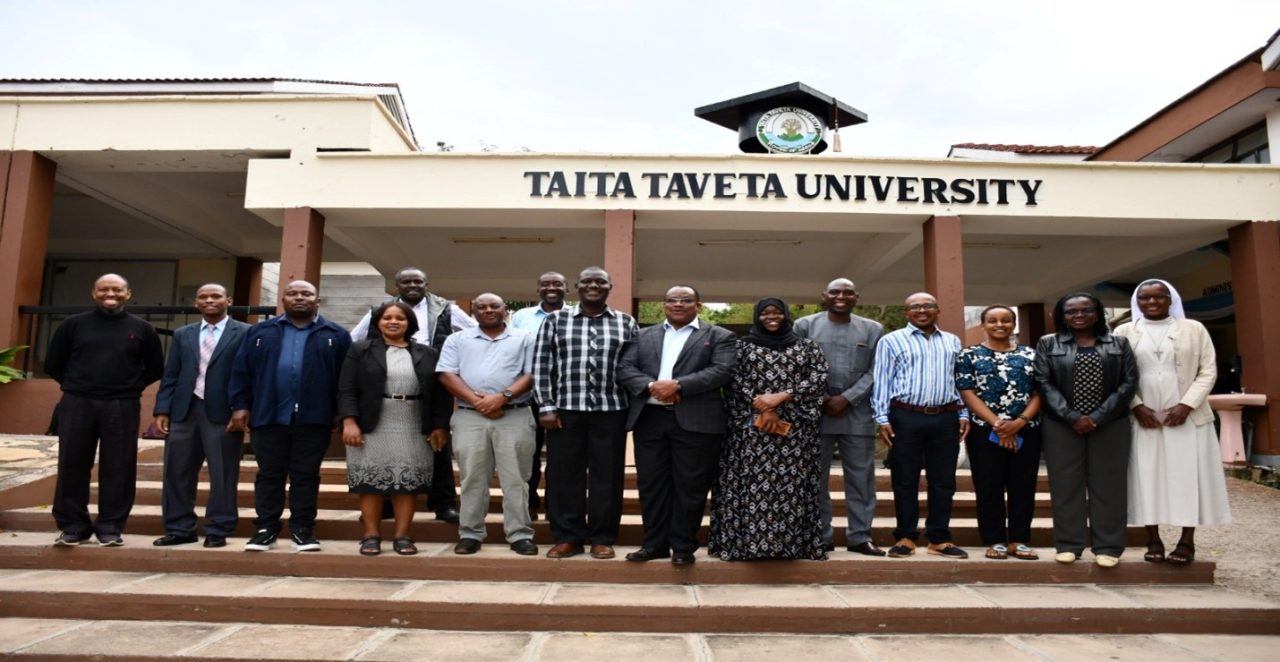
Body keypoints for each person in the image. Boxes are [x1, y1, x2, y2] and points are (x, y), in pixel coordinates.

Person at [229, 280, 352, 552]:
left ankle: (302, 529)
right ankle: (265, 529)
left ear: (317, 300)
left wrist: (342, 415)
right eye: (293, 293)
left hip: (315, 418)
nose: (299, 298)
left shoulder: (336, 334)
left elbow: (346, 380)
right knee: (269, 474)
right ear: (282, 300)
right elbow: (241, 372)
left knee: (306, 475)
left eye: (306, 294)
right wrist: (240, 405)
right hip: (268, 415)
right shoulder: (260, 332)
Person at [1114, 279, 1231, 565]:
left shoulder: (1194, 329)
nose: (1151, 302)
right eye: (1145, 298)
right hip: (1143, 418)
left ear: (1171, 300)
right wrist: (1138, 406)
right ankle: (1152, 539)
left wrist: (1185, 405)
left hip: (1187, 417)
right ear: (1136, 302)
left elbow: (1208, 371)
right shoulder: (1123, 331)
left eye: (1159, 297)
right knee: (1145, 476)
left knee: (1188, 476)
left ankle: (1186, 541)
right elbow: (1116, 374)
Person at [617, 285, 736, 566]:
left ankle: (683, 547)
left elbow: (722, 371)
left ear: (699, 304)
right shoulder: (643, 335)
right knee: (652, 486)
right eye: (672, 300)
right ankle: (654, 545)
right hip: (651, 420)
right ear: (664, 305)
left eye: (686, 300)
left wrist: (679, 385)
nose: (678, 304)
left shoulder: (720, 335)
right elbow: (624, 368)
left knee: (690, 487)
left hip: (696, 422)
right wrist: (650, 386)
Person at [45, 273, 164, 546]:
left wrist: (124, 387)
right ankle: (73, 526)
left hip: (122, 404)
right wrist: (80, 385)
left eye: (117, 289)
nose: (110, 294)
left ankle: (110, 526)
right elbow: (54, 363)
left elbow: (155, 368)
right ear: (94, 293)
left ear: (128, 294)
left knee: (119, 467)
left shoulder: (142, 329)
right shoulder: (73, 325)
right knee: (72, 464)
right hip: (77, 403)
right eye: (104, 289)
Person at [350, 267, 476, 523]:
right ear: (397, 286)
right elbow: (354, 338)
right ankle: (383, 506)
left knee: (437, 444)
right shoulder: (379, 311)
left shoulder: (446, 309)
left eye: (417, 281)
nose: (412, 285)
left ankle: (443, 504)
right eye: (406, 281)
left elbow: (473, 333)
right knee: (385, 449)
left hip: (430, 380)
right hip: (387, 385)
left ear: (426, 284)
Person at [707, 298, 828, 561]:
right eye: (765, 313)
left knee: (792, 489)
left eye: (777, 313)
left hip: (795, 433)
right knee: (748, 488)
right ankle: (744, 545)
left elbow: (818, 379)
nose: (771, 317)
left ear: (786, 315)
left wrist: (782, 396)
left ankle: (791, 546)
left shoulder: (808, 348)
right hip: (749, 432)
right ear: (756, 317)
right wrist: (764, 407)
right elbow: (733, 379)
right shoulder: (740, 347)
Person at [533, 267, 638, 560]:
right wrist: (546, 406)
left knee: (608, 476)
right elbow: (542, 365)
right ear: (577, 287)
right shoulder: (555, 320)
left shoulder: (626, 323)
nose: (594, 285)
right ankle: (568, 537)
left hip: (612, 410)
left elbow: (633, 368)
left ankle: (602, 537)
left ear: (609, 287)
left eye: (600, 281)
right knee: (564, 475)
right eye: (587, 281)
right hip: (565, 411)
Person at [338, 301, 451, 556]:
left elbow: (440, 395)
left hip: (413, 423)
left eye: (400, 318)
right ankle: (370, 535)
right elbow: (346, 388)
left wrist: (440, 426)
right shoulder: (360, 350)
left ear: (409, 323)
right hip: (371, 423)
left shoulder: (428, 353)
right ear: (378, 322)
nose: (393, 322)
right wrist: (349, 421)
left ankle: (403, 536)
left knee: (407, 482)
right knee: (370, 481)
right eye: (387, 317)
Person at [1034, 292, 1138, 567]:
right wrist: (1072, 416)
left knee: (1109, 486)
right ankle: (1069, 545)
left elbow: (1129, 383)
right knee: (1066, 485)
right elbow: (1043, 383)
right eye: (1071, 312)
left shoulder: (1118, 343)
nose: (1079, 316)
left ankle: (1109, 547)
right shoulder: (1048, 343)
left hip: (1110, 424)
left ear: (1098, 313)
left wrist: (1097, 417)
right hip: (1061, 425)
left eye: (1086, 310)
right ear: (1062, 316)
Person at [437, 293, 538, 556]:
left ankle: (519, 534)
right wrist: (479, 401)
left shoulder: (525, 338)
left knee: (516, 479)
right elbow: (447, 373)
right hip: (470, 417)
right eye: (481, 307)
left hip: (514, 415)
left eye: (495, 306)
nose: (488, 310)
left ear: (505, 310)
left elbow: (531, 374)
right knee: (472, 478)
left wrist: (501, 399)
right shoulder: (457, 339)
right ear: (474, 312)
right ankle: (470, 533)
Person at [871, 292, 970, 559]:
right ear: (906, 312)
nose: (922, 310)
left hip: (946, 416)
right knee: (905, 479)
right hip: (905, 416)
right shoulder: (891, 341)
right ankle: (906, 537)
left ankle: (939, 538)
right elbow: (883, 380)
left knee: (944, 480)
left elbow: (957, 380)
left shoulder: (952, 341)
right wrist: (882, 418)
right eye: (915, 307)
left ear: (937, 310)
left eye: (928, 306)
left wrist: (964, 413)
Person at [151, 283, 250, 549]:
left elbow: (249, 374)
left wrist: (242, 408)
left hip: (224, 412)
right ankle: (179, 528)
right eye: (203, 297)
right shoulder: (183, 334)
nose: (210, 300)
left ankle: (218, 528)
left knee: (223, 473)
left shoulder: (245, 332)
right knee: (177, 472)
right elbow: (171, 374)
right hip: (184, 410)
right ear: (196, 303)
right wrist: (162, 409)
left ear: (227, 300)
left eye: (216, 296)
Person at [794, 278, 885, 556]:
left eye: (847, 292)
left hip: (856, 412)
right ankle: (821, 536)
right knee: (815, 478)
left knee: (861, 479)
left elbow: (876, 370)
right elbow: (796, 365)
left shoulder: (873, 329)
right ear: (824, 295)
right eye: (835, 292)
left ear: (856, 296)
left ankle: (860, 537)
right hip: (814, 413)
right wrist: (820, 398)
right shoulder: (805, 326)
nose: (841, 296)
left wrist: (847, 398)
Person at [955, 305, 1043, 561]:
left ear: (1013, 324)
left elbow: (1040, 392)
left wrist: (1019, 422)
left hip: (1026, 430)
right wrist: (999, 425)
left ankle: (1019, 539)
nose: (999, 325)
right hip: (985, 432)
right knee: (988, 486)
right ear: (983, 325)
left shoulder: (1032, 355)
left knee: (1023, 486)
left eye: (1006, 320)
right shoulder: (969, 355)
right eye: (992, 320)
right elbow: (967, 392)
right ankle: (994, 539)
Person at [509, 271, 568, 519]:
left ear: (567, 288)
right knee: (528, 454)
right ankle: (530, 505)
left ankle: (556, 507)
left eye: (557, 284)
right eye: (545, 284)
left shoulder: (575, 316)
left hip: (563, 397)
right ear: (538, 289)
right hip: (526, 395)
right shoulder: (521, 317)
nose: (551, 287)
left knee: (560, 456)